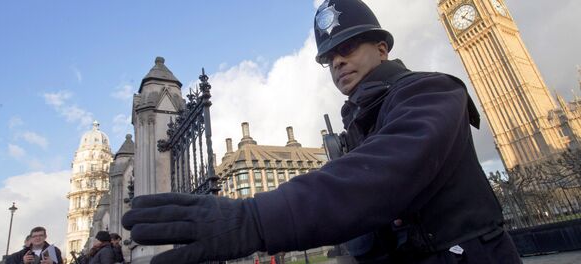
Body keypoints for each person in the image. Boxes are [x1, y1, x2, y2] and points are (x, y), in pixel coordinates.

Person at [122, 0, 523, 263]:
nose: (338, 62)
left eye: (347, 48)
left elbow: (377, 178)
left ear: (382, 48)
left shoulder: (430, 91)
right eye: (329, 57)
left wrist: (255, 220)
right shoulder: (358, 121)